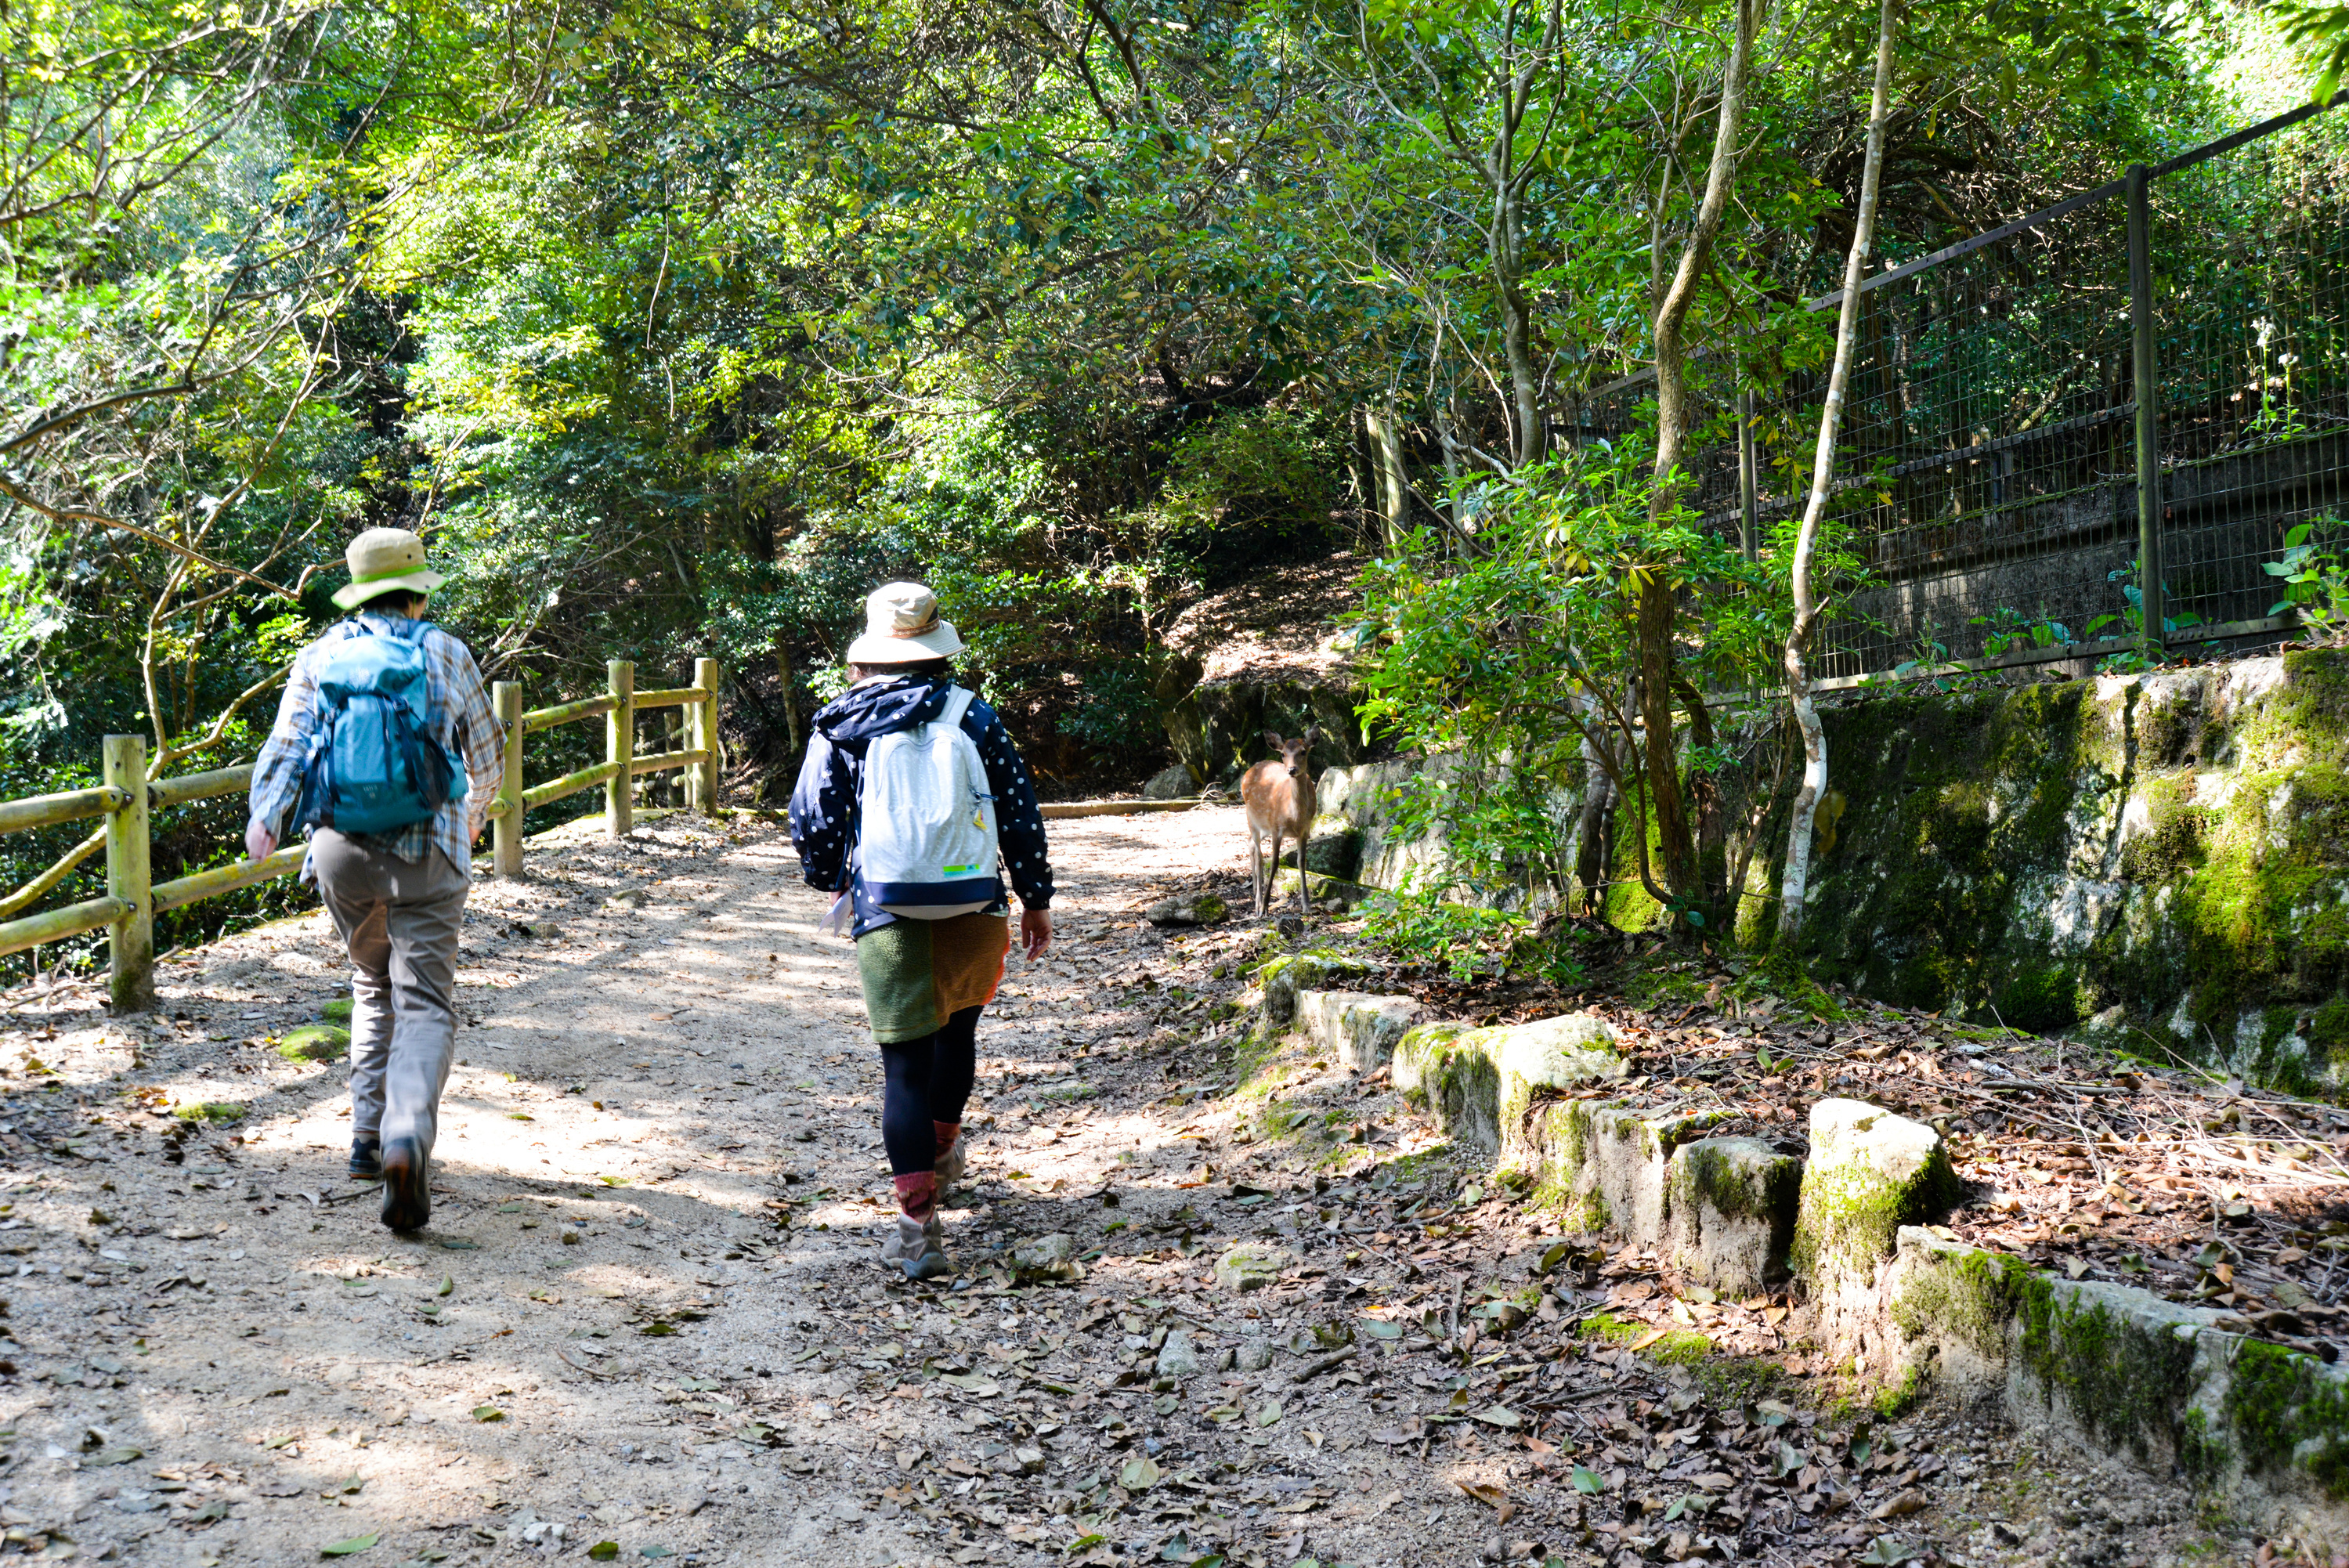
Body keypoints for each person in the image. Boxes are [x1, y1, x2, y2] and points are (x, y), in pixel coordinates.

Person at [790, 582, 1053, 1281]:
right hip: (974, 905)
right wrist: (1035, 897)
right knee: (958, 1034)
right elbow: (1019, 809)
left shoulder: (841, 724)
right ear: (938, 649)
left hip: (887, 907)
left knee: (903, 1066)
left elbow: (814, 819)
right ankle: (944, 1156)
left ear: (868, 654)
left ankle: (917, 1229)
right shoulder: (974, 715)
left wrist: (832, 878)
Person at [244, 527, 504, 1234]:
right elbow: (488, 751)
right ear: (419, 589)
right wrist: (474, 815)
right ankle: (406, 1137)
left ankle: (364, 1140)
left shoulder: (323, 653)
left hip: (341, 851)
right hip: (431, 853)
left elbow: (288, 747)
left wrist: (264, 821)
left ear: (357, 590)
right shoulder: (446, 651)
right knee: (423, 1001)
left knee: (369, 984)